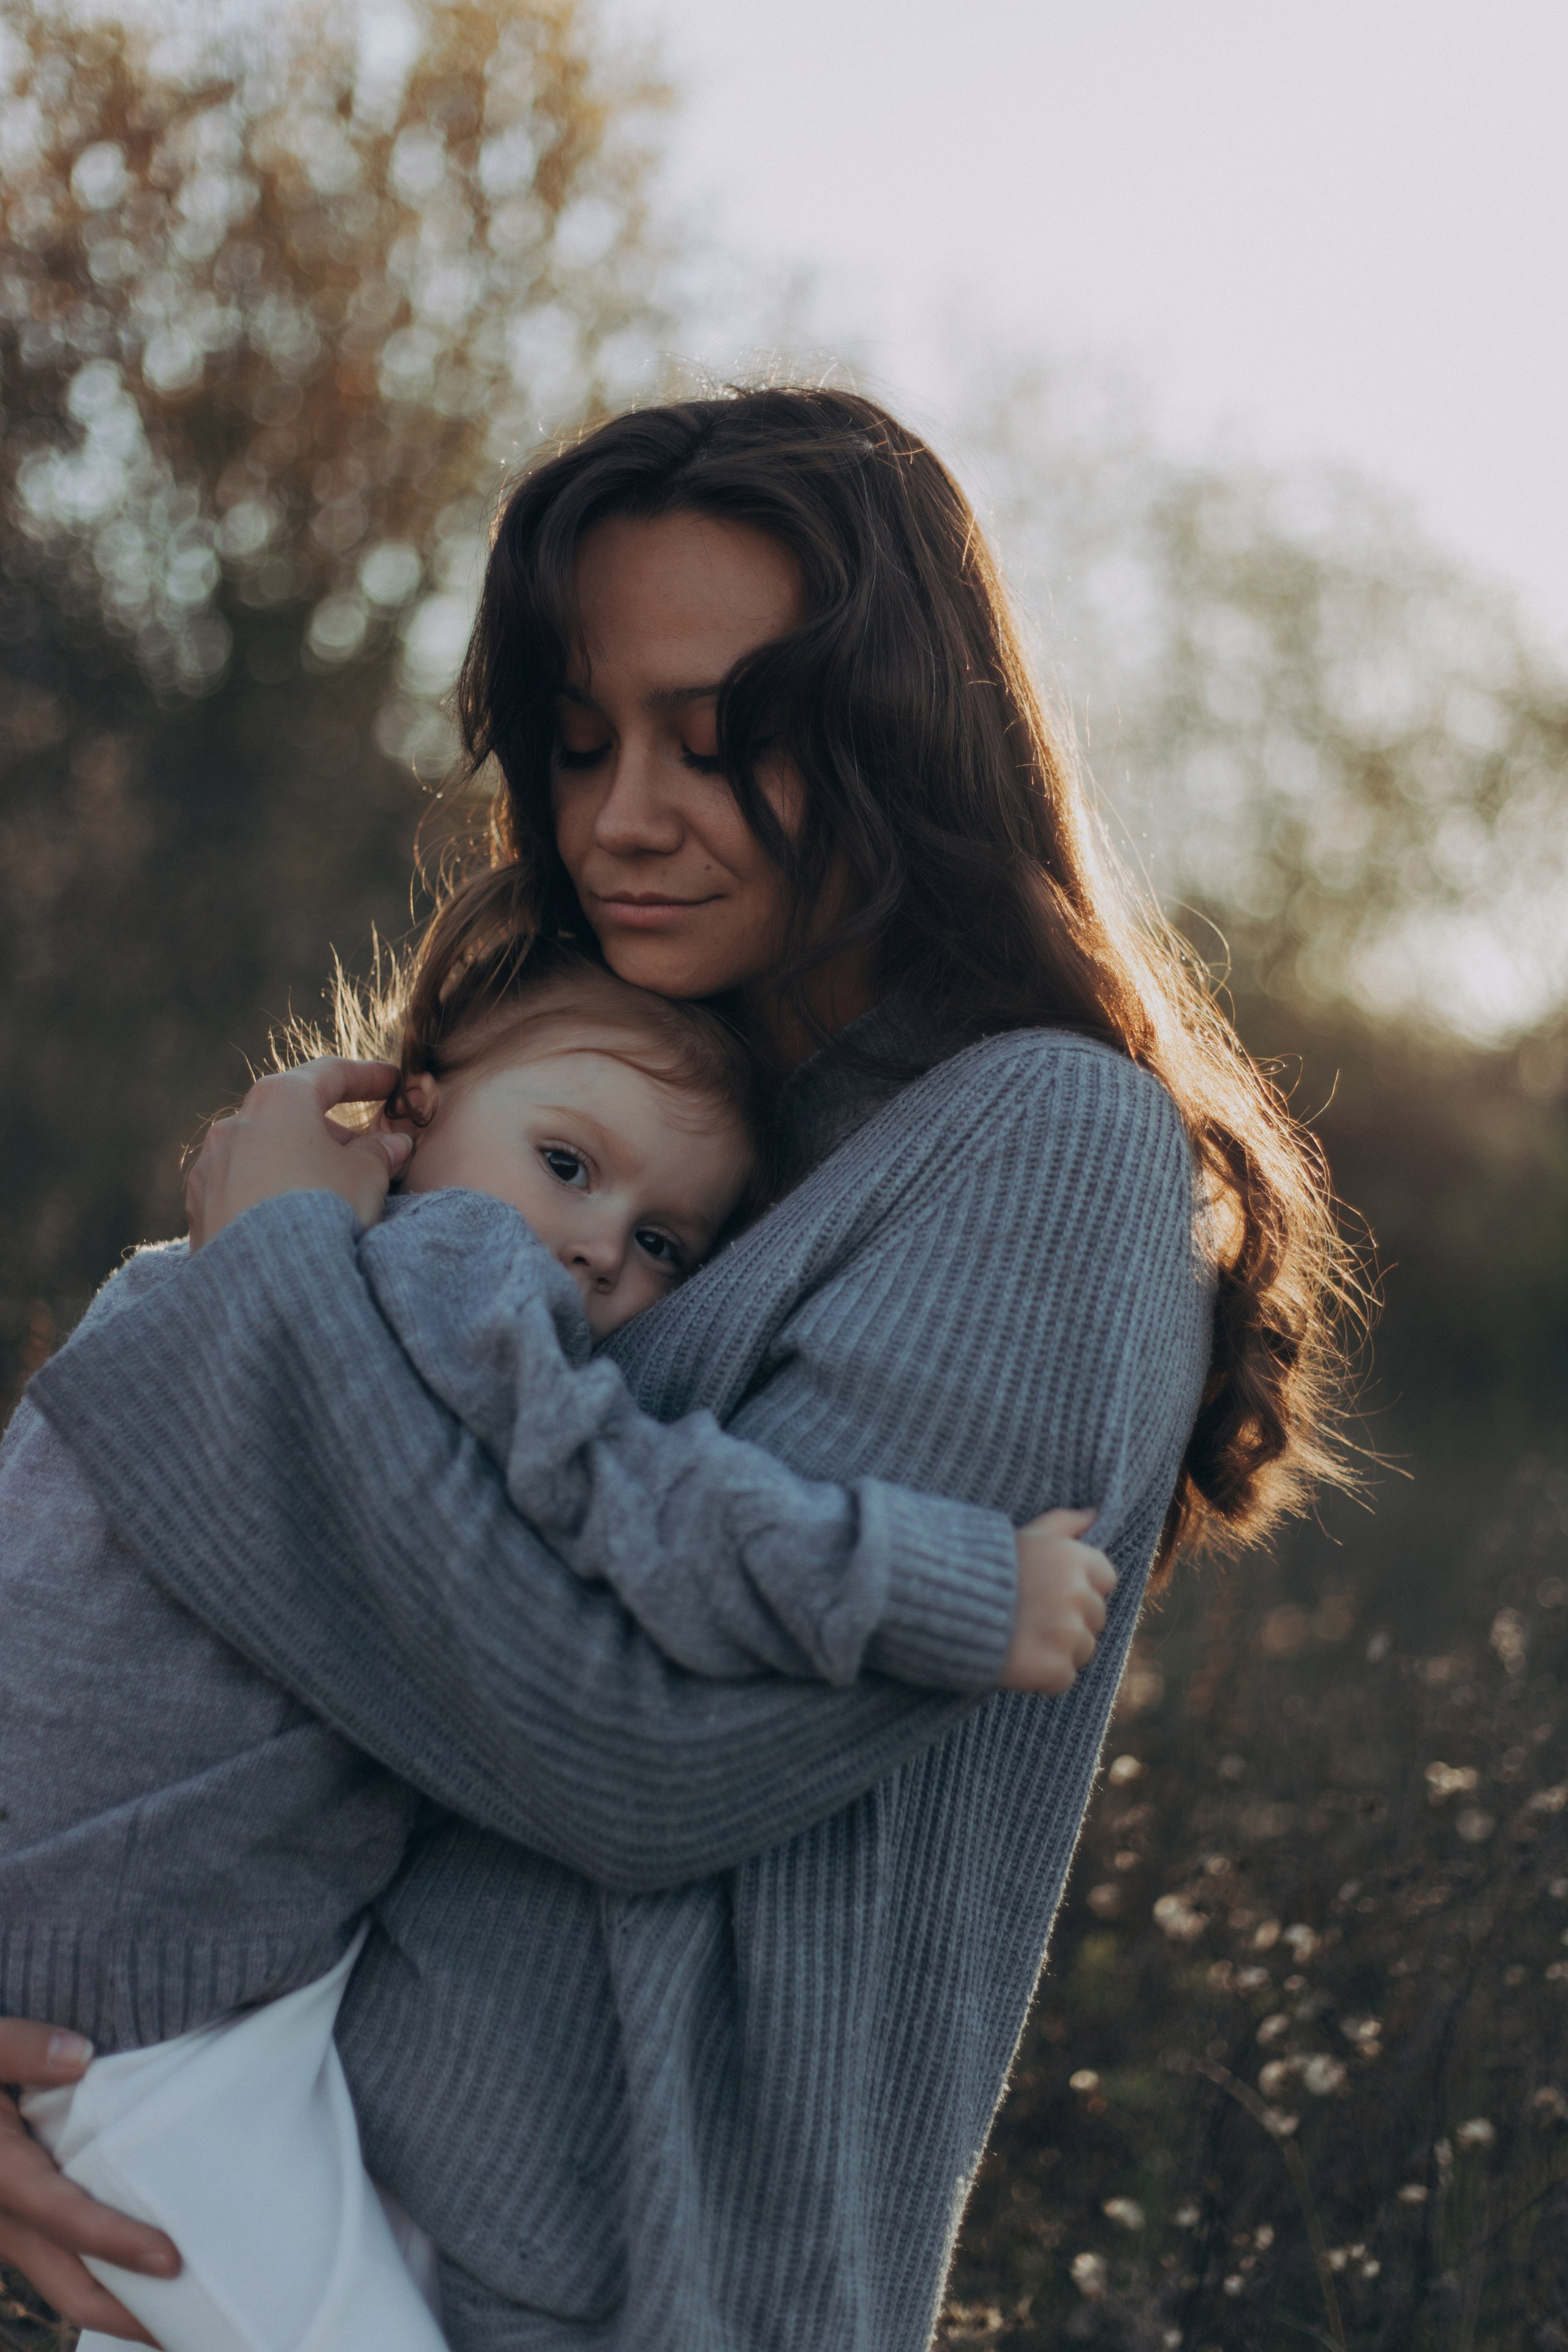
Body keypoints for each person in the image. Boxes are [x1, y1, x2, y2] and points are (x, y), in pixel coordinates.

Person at [0, 386, 1353, 2350]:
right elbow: (122, 1628)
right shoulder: (619, 1118)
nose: (624, 814)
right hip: (210, 2185)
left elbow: (644, 1755)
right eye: (579, 741)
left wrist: (279, 1270)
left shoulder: (1043, 1149)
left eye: (723, 746)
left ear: (900, 742)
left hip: (610, 2292)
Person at [1, 893, 1114, 2351]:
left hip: (148, 1964)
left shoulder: (198, 1288)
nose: (594, 1250)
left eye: (661, 1239)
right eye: (569, 1163)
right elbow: (632, 1498)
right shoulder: (446, 1269)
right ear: (406, 1114)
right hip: (143, 2014)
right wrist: (945, 1585)